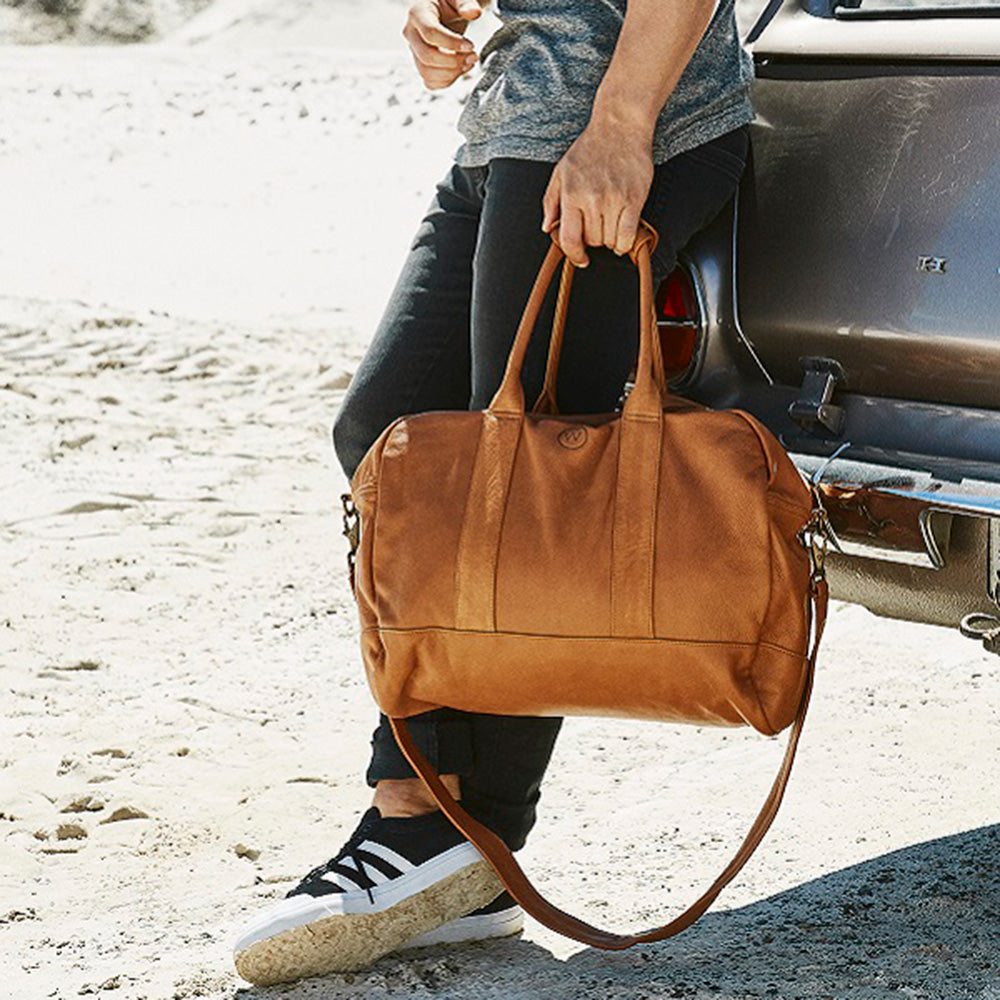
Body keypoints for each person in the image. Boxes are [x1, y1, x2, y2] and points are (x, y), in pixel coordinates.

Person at [233, 0, 754, 985]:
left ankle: (428, 818)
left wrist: (621, 126)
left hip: (610, 125)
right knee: (384, 436)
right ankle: (467, 859)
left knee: (521, 481)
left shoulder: (615, 126)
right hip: (516, 118)